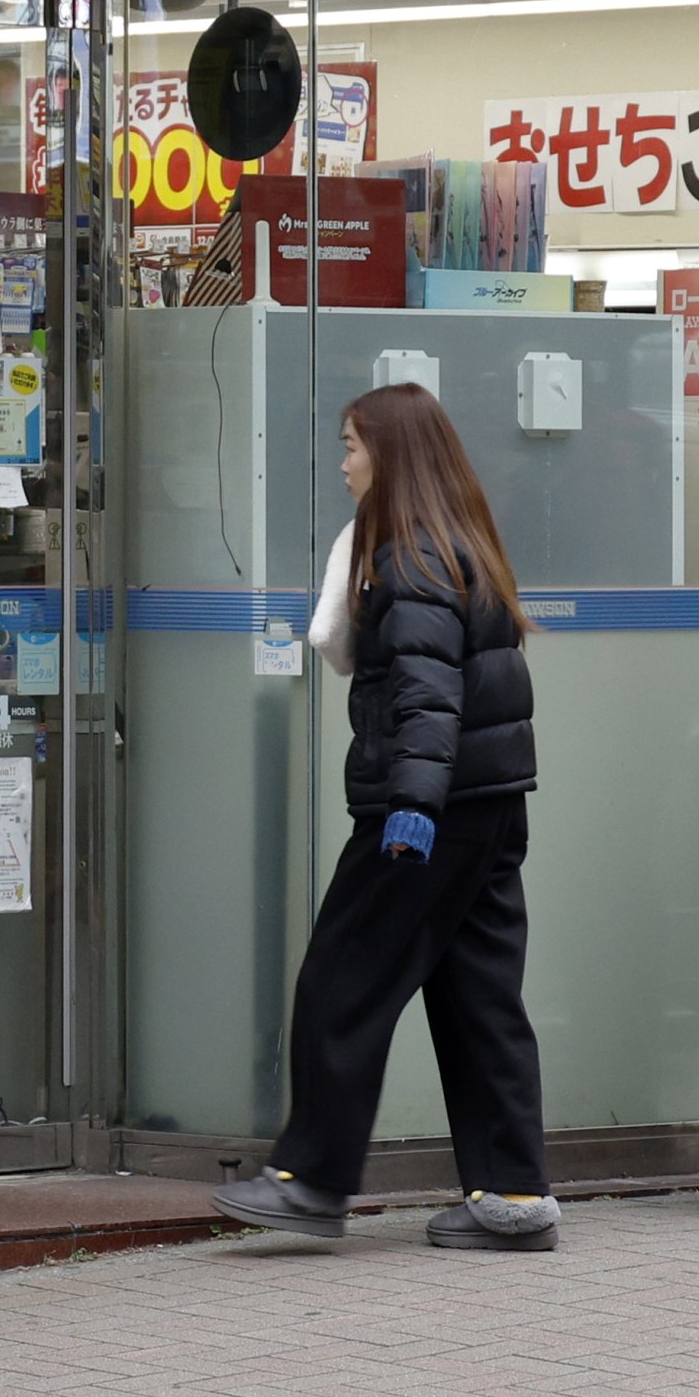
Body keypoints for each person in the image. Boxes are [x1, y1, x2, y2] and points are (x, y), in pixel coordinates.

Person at [213, 385, 558, 1254]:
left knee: (342, 981)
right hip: (488, 802)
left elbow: (428, 696)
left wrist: (409, 809)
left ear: (391, 457)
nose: (343, 463)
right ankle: (511, 1191)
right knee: (480, 994)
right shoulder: (461, 544)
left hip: (428, 811)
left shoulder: (408, 559)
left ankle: (311, 1178)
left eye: (352, 446)